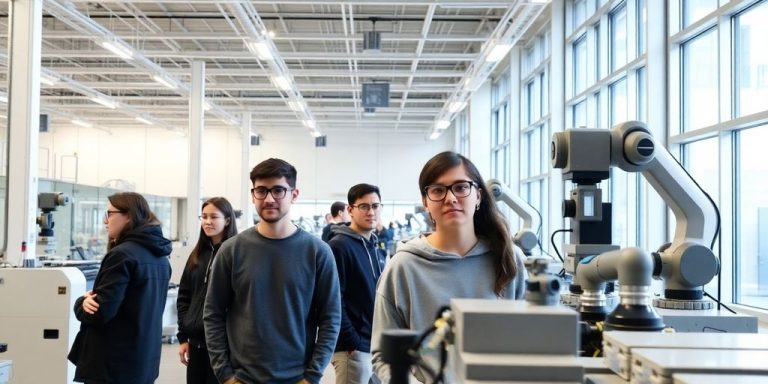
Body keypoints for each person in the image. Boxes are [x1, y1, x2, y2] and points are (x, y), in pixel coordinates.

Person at [370, 151, 527, 383]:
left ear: (478, 196)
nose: (450, 198)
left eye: (461, 187)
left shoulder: (509, 259)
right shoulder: (403, 266)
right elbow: (383, 355)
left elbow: (527, 343)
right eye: (438, 190)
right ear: (425, 202)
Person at [204, 158, 341, 384]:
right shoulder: (232, 250)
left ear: (294, 194)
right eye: (261, 191)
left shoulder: (317, 252)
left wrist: (312, 375)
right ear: (253, 194)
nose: (269, 199)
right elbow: (213, 313)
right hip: (242, 378)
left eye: (278, 190)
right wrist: (225, 374)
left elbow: (331, 318)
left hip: (298, 378)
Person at [68, 192, 172, 384]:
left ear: (129, 216)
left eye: (109, 214)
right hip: (143, 361)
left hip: (112, 366)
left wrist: (80, 303)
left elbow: (100, 312)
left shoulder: (122, 255)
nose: (105, 221)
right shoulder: (160, 258)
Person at [328, 183, 386, 384]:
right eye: (364, 206)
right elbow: (334, 300)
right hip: (352, 348)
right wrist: (353, 341)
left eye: (375, 206)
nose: (371, 211)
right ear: (350, 210)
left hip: (373, 343)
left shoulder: (373, 246)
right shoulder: (339, 246)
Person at [177, 197, 238, 384]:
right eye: (204, 216)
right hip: (196, 343)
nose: (207, 221)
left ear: (227, 220)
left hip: (223, 346)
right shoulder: (197, 255)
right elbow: (184, 297)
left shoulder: (235, 254)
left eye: (213, 217)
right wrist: (183, 337)